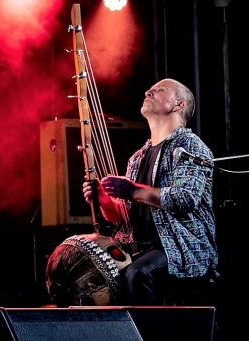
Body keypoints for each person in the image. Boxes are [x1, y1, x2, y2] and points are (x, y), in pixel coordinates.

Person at [82, 78, 217, 305]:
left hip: (179, 249)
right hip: (136, 249)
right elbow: (122, 218)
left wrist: (133, 190)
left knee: (137, 275)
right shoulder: (137, 157)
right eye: (149, 89)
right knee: (87, 277)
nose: (147, 91)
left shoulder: (190, 145)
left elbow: (184, 199)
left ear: (178, 105)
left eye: (159, 90)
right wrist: (104, 199)